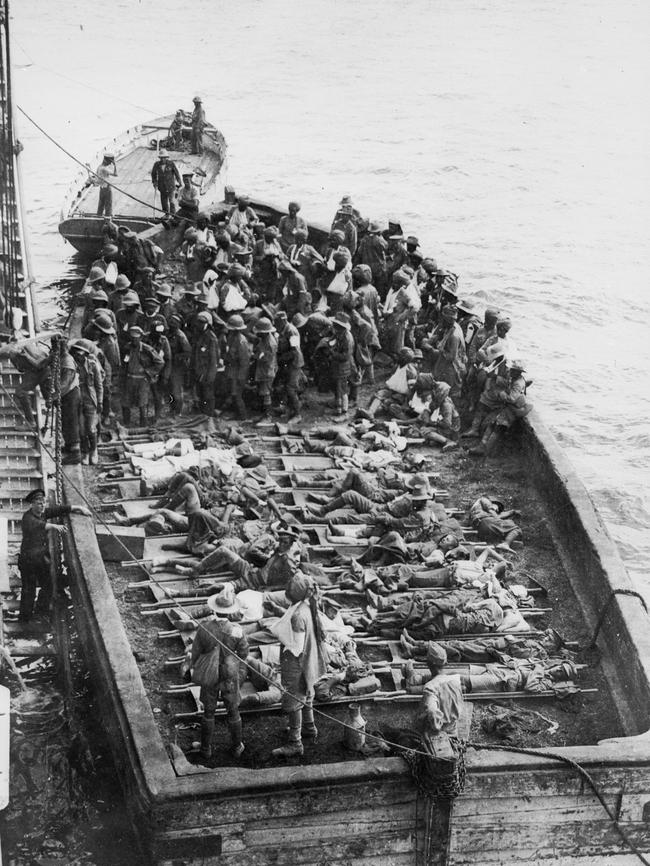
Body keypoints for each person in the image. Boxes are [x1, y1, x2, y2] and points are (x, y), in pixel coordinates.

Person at [270, 572, 327, 757]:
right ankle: (309, 727)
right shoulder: (307, 605)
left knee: (294, 700)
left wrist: (279, 635)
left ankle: (295, 743)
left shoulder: (298, 616)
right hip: (309, 659)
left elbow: (296, 648)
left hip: (297, 662)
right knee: (307, 692)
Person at [190, 590, 248, 762]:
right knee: (233, 709)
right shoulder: (237, 631)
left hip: (210, 674)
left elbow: (196, 653)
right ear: (231, 611)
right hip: (229, 675)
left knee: (208, 711)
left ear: (214, 609)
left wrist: (198, 667)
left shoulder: (204, 627)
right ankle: (237, 746)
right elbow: (244, 653)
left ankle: (206, 748)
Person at [18, 489, 90, 622]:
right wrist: (54, 526)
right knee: (29, 590)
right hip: (28, 561)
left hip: (40, 559)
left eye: (43, 503)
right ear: (32, 505)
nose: (42, 506)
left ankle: (41, 612)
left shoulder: (42, 513)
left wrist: (77, 508)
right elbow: (38, 525)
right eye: (39, 503)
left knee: (48, 586)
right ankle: (24, 619)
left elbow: (57, 510)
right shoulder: (27, 517)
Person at [120, 324, 164, 427]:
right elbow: (124, 363)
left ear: (141, 337)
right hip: (130, 378)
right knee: (125, 402)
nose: (134, 340)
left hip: (142, 379)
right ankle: (126, 423)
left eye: (136, 338)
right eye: (132, 337)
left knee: (142, 402)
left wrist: (148, 372)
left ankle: (143, 424)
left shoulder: (147, 349)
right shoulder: (127, 347)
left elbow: (160, 362)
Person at [415, 643, 463, 736]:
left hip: (439, 735)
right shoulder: (455, 680)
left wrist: (436, 728)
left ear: (428, 664)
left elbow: (432, 711)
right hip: (453, 729)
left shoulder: (431, 687)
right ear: (445, 662)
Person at [69, 339, 103, 465]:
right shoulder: (72, 365)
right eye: (76, 353)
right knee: (81, 429)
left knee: (90, 427)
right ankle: (85, 452)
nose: (79, 356)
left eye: (81, 353)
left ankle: (94, 451)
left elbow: (99, 385)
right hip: (77, 398)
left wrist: (99, 402)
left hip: (90, 399)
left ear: (85, 354)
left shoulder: (93, 365)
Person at [192, 311, 220, 416]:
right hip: (198, 371)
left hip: (206, 372)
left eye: (201, 322)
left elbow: (214, 359)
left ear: (207, 323)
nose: (198, 324)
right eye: (198, 321)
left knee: (208, 394)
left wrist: (210, 376)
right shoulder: (198, 335)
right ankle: (202, 414)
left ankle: (209, 415)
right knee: (201, 393)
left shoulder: (211, 338)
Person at [224, 314, 251, 419]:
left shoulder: (241, 341)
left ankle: (242, 415)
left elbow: (244, 362)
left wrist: (241, 377)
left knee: (237, 395)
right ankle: (236, 413)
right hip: (232, 369)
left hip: (239, 372)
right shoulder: (231, 337)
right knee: (233, 392)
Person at [252, 317, 278, 422]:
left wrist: (255, 356)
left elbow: (266, 358)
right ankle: (264, 415)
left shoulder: (270, 343)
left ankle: (268, 416)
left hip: (267, 370)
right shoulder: (265, 339)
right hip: (265, 369)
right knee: (263, 392)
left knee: (266, 393)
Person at [331, 312, 355, 418]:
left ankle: (342, 409)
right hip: (338, 366)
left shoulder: (347, 338)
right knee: (339, 387)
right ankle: (339, 407)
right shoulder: (340, 334)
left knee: (342, 388)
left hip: (343, 366)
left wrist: (333, 353)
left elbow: (345, 356)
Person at [151, 150, 182, 215]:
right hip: (162, 187)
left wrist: (179, 181)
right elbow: (153, 174)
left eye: (164, 157)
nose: (162, 159)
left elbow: (176, 173)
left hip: (170, 186)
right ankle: (166, 214)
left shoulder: (171, 164)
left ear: (166, 157)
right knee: (164, 202)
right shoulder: (156, 164)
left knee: (172, 201)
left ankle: (173, 214)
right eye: (161, 158)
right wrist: (154, 182)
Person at [92, 152, 117, 217]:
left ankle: (98, 217)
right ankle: (108, 218)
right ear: (106, 160)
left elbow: (97, 180)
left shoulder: (99, 167)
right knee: (108, 205)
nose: (110, 164)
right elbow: (115, 174)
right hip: (107, 189)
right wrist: (115, 166)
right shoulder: (104, 169)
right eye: (110, 162)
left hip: (102, 188)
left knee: (101, 204)